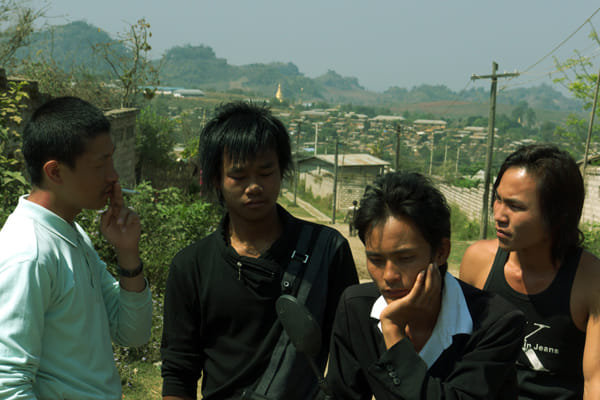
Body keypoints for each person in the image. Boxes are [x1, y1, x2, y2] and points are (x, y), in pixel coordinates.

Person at [160, 101, 359, 400]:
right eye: (239, 176)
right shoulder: (191, 266)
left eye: (266, 172)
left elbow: (352, 356)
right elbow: (179, 372)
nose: (254, 186)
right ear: (216, 179)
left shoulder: (327, 251)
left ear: (282, 171)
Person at [0, 96, 153, 399]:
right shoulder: (30, 254)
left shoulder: (72, 234)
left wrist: (127, 254)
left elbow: (132, 333)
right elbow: (7, 384)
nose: (113, 175)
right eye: (100, 164)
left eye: (111, 159)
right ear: (55, 172)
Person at [326, 171, 525, 399]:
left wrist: (393, 332)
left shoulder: (496, 323)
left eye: (405, 258)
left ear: (441, 252)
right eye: (376, 260)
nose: (389, 276)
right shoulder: (356, 308)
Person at [459, 143, 600, 399]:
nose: (499, 215)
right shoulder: (478, 262)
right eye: (498, 199)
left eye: (515, 206)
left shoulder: (591, 281)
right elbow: (459, 353)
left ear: (557, 215)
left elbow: (595, 383)